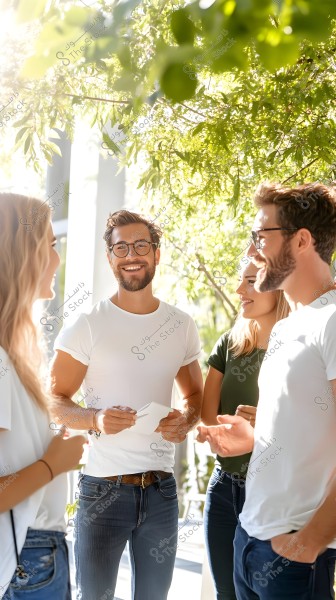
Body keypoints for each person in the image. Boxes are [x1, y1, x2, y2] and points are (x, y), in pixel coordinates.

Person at [49, 209, 203, 600]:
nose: (131, 254)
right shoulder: (87, 324)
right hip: (103, 491)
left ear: (156, 253)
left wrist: (185, 420)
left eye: (140, 245)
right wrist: (96, 417)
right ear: (110, 256)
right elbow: (54, 400)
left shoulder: (180, 324)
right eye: (121, 246)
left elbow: (196, 397)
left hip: (162, 492)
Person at [197, 182, 336, 600]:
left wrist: (309, 543)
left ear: (302, 240)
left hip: (294, 555)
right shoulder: (288, 327)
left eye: (262, 236)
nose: (254, 249)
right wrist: (253, 439)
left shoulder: (331, 321)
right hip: (249, 539)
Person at [0, 193, 86, 600]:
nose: (57, 258)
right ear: (22, 253)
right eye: (51, 245)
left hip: (35, 550)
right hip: (27, 556)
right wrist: (53, 464)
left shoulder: (12, 356)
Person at [202, 260, 289, 600]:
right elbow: (209, 420)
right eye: (240, 281)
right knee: (227, 594)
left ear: (279, 285)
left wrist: (265, 423)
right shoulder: (230, 345)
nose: (240, 290)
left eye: (251, 281)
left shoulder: (300, 349)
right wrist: (215, 431)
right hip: (225, 488)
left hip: (274, 493)